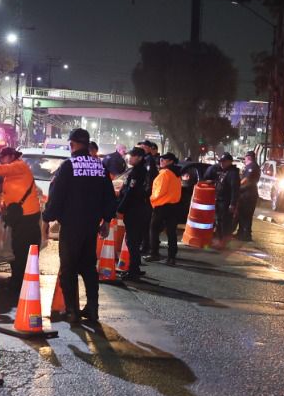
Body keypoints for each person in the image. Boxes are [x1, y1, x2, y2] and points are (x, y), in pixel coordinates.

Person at [43, 128, 118, 324]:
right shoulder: (99, 166)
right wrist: (107, 220)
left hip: (71, 226)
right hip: (91, 226)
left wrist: (47, 217)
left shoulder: (69, 166)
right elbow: (109, 197)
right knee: (88, 267)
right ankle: (92, 308)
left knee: (68, 268)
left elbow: (56, 194)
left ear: (73, 144)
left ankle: (72, 311)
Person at [0, 147, 42, 280]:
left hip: (27, 216)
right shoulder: (13, 172)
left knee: (22, 249)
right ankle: (19, 277)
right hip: (19, 215)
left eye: (2, 158)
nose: (1, 162)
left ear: (10, 156)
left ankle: (20, 280)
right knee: (18, 248)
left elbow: (3, 170)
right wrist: (3, 204)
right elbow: (7, 192)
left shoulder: (19, 166)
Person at [117, 145, 153, 279]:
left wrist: (120, 208)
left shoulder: (138, 172)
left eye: (132, 156)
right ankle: (135, 267)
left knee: (132, 241)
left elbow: (130, 193)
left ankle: (133, 271)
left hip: (135, 210)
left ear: (139, 158)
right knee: (134, 240)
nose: (129, 158)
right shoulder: (139, 170)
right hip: (139, 209)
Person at [149, 152, 184, 265]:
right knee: (171, 232)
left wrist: (151, 199)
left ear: (171, 161)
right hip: (174, 206)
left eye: (164, 159)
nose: (161, 161)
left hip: (161, 206)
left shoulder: (165, 173)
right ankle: (171, 257)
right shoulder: (177, 174)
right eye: (161, 159)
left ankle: (154, 253)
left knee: (154, 229)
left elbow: (159, 192)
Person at [212, 152, 241, 241]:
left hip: (226, 202)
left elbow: (234, 189)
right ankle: (220, 240)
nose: (222, 163)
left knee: (225, 222)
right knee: (219, 221)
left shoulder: (233, 173)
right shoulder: (223, 172)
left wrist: (232, 203)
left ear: (229, 162)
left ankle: (224, 241)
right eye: (221, 161)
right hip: (220, 200)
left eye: (224, 161)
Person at [236, 152, 261, 241]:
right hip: (247, 193)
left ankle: (246, 234)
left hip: (248, 194)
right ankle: (241, 232)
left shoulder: (252, 166)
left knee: (246, 214)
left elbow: (246, 179)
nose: (244, 159)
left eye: (245, 157)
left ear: (249, 157)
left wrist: (237, 186)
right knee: (243, 214)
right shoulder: (251, 166)